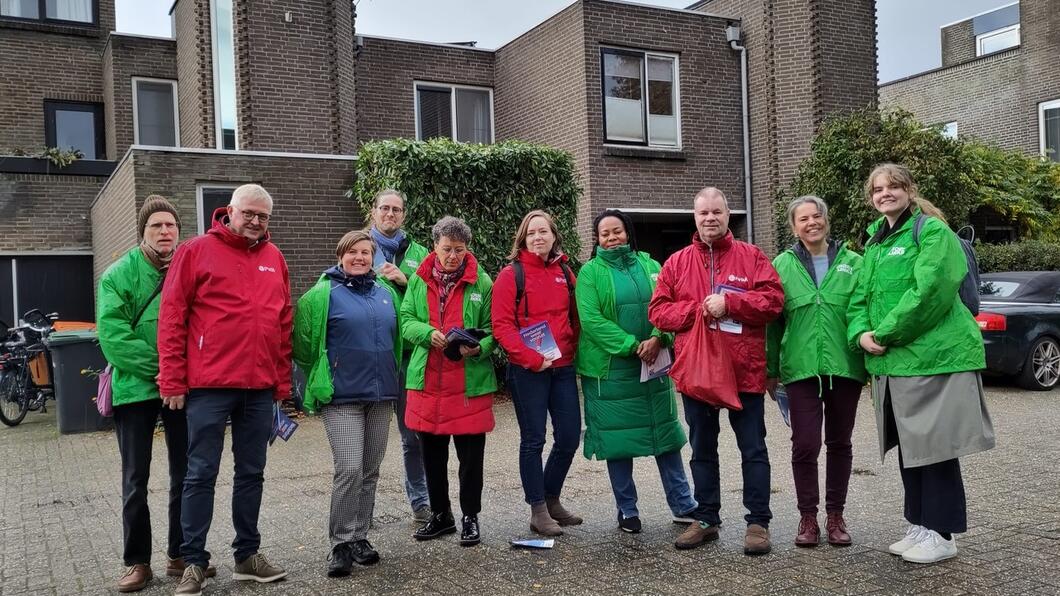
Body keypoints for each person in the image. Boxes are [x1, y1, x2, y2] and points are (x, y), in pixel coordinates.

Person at [848, 163, 995, 564]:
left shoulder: (931, 231)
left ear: (910, 191)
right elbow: (860, 299)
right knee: (910, 448)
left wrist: (882, 335)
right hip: (895, 364)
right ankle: (921, 522)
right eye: (878, 189)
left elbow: (929, 290)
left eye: (893, 186)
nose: (885, 194)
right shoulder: (874, 244)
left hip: (932, 360)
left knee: (935, 447)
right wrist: (859, 333)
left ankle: (943, 533)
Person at [158, 184, 292, 595]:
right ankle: (193, 561)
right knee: (200, 473)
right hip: (208, 386)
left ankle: (247, 555)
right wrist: (173, 379)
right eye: (248, 213)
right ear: (228, 211)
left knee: (252, 473)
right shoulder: (196, 250)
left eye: (263, 216)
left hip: (259, 387)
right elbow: (173, 316)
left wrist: (281, 382)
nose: (255, 221)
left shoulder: (274, 258)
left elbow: (283, 321)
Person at [648, 187, 784, 555]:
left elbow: (773, 301)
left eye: (717, 212)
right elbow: (658, 312)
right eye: (703, 213)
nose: (710, 218)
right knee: (702, 449)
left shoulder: (752, 256)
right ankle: (706, 518)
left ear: (727, 215)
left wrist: (731, 303)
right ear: (694, 217)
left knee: (753, 449)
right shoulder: (676, 263)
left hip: (744, 371)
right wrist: (698, 310)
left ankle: (758, 521)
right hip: (697, 372)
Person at [98, 196, 215, 592]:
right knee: (136, 478)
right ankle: (137, 562)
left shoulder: (191, 267)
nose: (165, 232)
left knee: (186, 473)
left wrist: (179, 373)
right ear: (143, 232)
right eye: (156, 226)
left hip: (181, 389)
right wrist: (165, 367)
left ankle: (179, 555)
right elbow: (114, 337)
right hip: (135, 389)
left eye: (170, 226)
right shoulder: (119, 274)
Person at [576, 209, 697, 534]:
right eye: (605, 233)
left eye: (617, 231)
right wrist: (634, 345)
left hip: (653, 367)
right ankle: (627, 510)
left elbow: (669, 307)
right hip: (611, 373)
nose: (612, 237)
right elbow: (591, 322)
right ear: (598, 239)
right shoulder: (590, 273)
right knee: (618, 444)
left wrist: (659, 338)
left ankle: (684, 505)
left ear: (628, 232)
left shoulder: (652, 265)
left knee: (666, 437)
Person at [292, 230, 403, 577]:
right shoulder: (322, 294)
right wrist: (321, 380)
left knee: (370, 469)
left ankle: (359, 536)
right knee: (350, 467)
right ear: (340, 256)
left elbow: (397, 338)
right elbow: (304, 347)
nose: (360, 258)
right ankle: (339, 543)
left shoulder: (386, 293)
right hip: (341, 396)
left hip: (381, 393)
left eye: (366, 252)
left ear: (374, 257)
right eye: (352, 252)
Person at [765, 196, 866, 548]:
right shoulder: (781, 264)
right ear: (794, 227)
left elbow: (865, 311)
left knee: (840, 442)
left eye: (817, 215)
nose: (812, 222)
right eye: (803, 218)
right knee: (805, 444)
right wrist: (770, 368)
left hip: (846, 366)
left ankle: (835, 515)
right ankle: (808, 517)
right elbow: (773, 322)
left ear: (827, 219)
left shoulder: (855, 262)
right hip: (800, 367)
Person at [401, 216, 496, 547]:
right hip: (427, 380)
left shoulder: (482, 282)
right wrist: (428, 334)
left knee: (471, 460)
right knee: (432, 457)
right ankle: (441, 515)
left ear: (467, 248)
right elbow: (405, 320)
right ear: (435, 247)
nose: (452, 256)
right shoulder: (418, 279)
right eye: (446, 249)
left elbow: (494, 329)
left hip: (468, 382)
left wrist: (478, 347)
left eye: (459, 249)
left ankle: (470, 516)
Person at [492, 210, 582, 537]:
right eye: (531, 233)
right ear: (523, 239)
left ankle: (551, 497)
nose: (538, 238)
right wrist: (531, 358)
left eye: (543, 232)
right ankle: (538, 510)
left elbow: (576, 318)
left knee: (570, 436)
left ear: (554, 237)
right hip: (528, 371)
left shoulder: (566, 273)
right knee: (534, 440)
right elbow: (502, 326)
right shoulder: (510, 275)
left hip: (562, 368)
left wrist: (571, 350)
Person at [367, 189, 432, 522]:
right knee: (368, 442)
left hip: (408, 358)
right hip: (372, 361)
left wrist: (407, 282)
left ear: (404, 215)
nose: (390, 214)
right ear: (374, 212)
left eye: (396, 210)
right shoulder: (357, 248)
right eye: (384, 208)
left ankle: (421, 500)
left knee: (413, 435)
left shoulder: (420, 254)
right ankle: (363, 507)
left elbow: (435, 302)